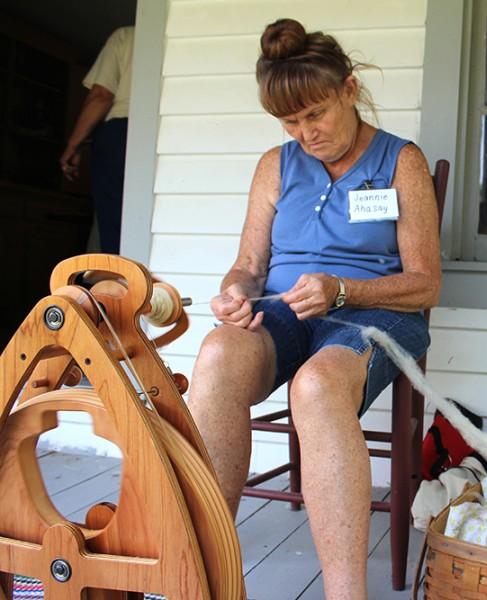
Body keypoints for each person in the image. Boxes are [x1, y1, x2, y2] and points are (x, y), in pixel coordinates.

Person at [187, 18, 441, 600]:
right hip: (284, 313)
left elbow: (425, 284)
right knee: (218, 352)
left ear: (349, 89)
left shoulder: (400, 161)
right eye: (290, 122)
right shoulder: (275, 166)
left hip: (376, 315)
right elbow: (249, 267)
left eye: (316, 114)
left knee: (317, 386)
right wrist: (234, 293)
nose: (306, 133)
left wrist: (343, 290)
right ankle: (201, 567)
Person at [60, 26, 134, 254]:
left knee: (113, 220)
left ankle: (119, 281)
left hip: (120, 131)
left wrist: (73, 145)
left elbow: (102, 95)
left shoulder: (124, 37)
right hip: (156, 132)